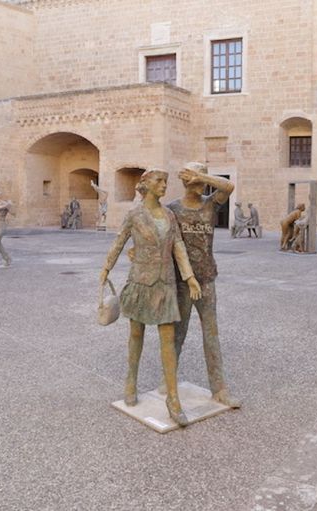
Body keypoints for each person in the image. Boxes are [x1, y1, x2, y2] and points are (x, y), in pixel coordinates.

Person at [99, 169, 202, 426]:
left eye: (166, 181)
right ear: (145, 183)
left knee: (168, 339)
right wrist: (106, 268)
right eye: (159, 181)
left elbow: (178, 245)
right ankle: (131, 380)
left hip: (165, 283)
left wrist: (189, 276)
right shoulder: (134, 214)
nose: (164, 185)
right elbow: (119, 241)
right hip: (141, 282)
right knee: (136, 334)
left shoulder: (169, 215)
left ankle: (173, 398)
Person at [165, 162, 241, 408]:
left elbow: (229, 186)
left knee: (212, 335)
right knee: (178, 334)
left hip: (207, 279)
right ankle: (169, 385)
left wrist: (202, 175)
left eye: (201, 181)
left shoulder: (210, 204)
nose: (200, 185)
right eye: (195, 181)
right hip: (182, 281)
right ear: (185, 182)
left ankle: (219, 389)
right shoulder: (173, 210)